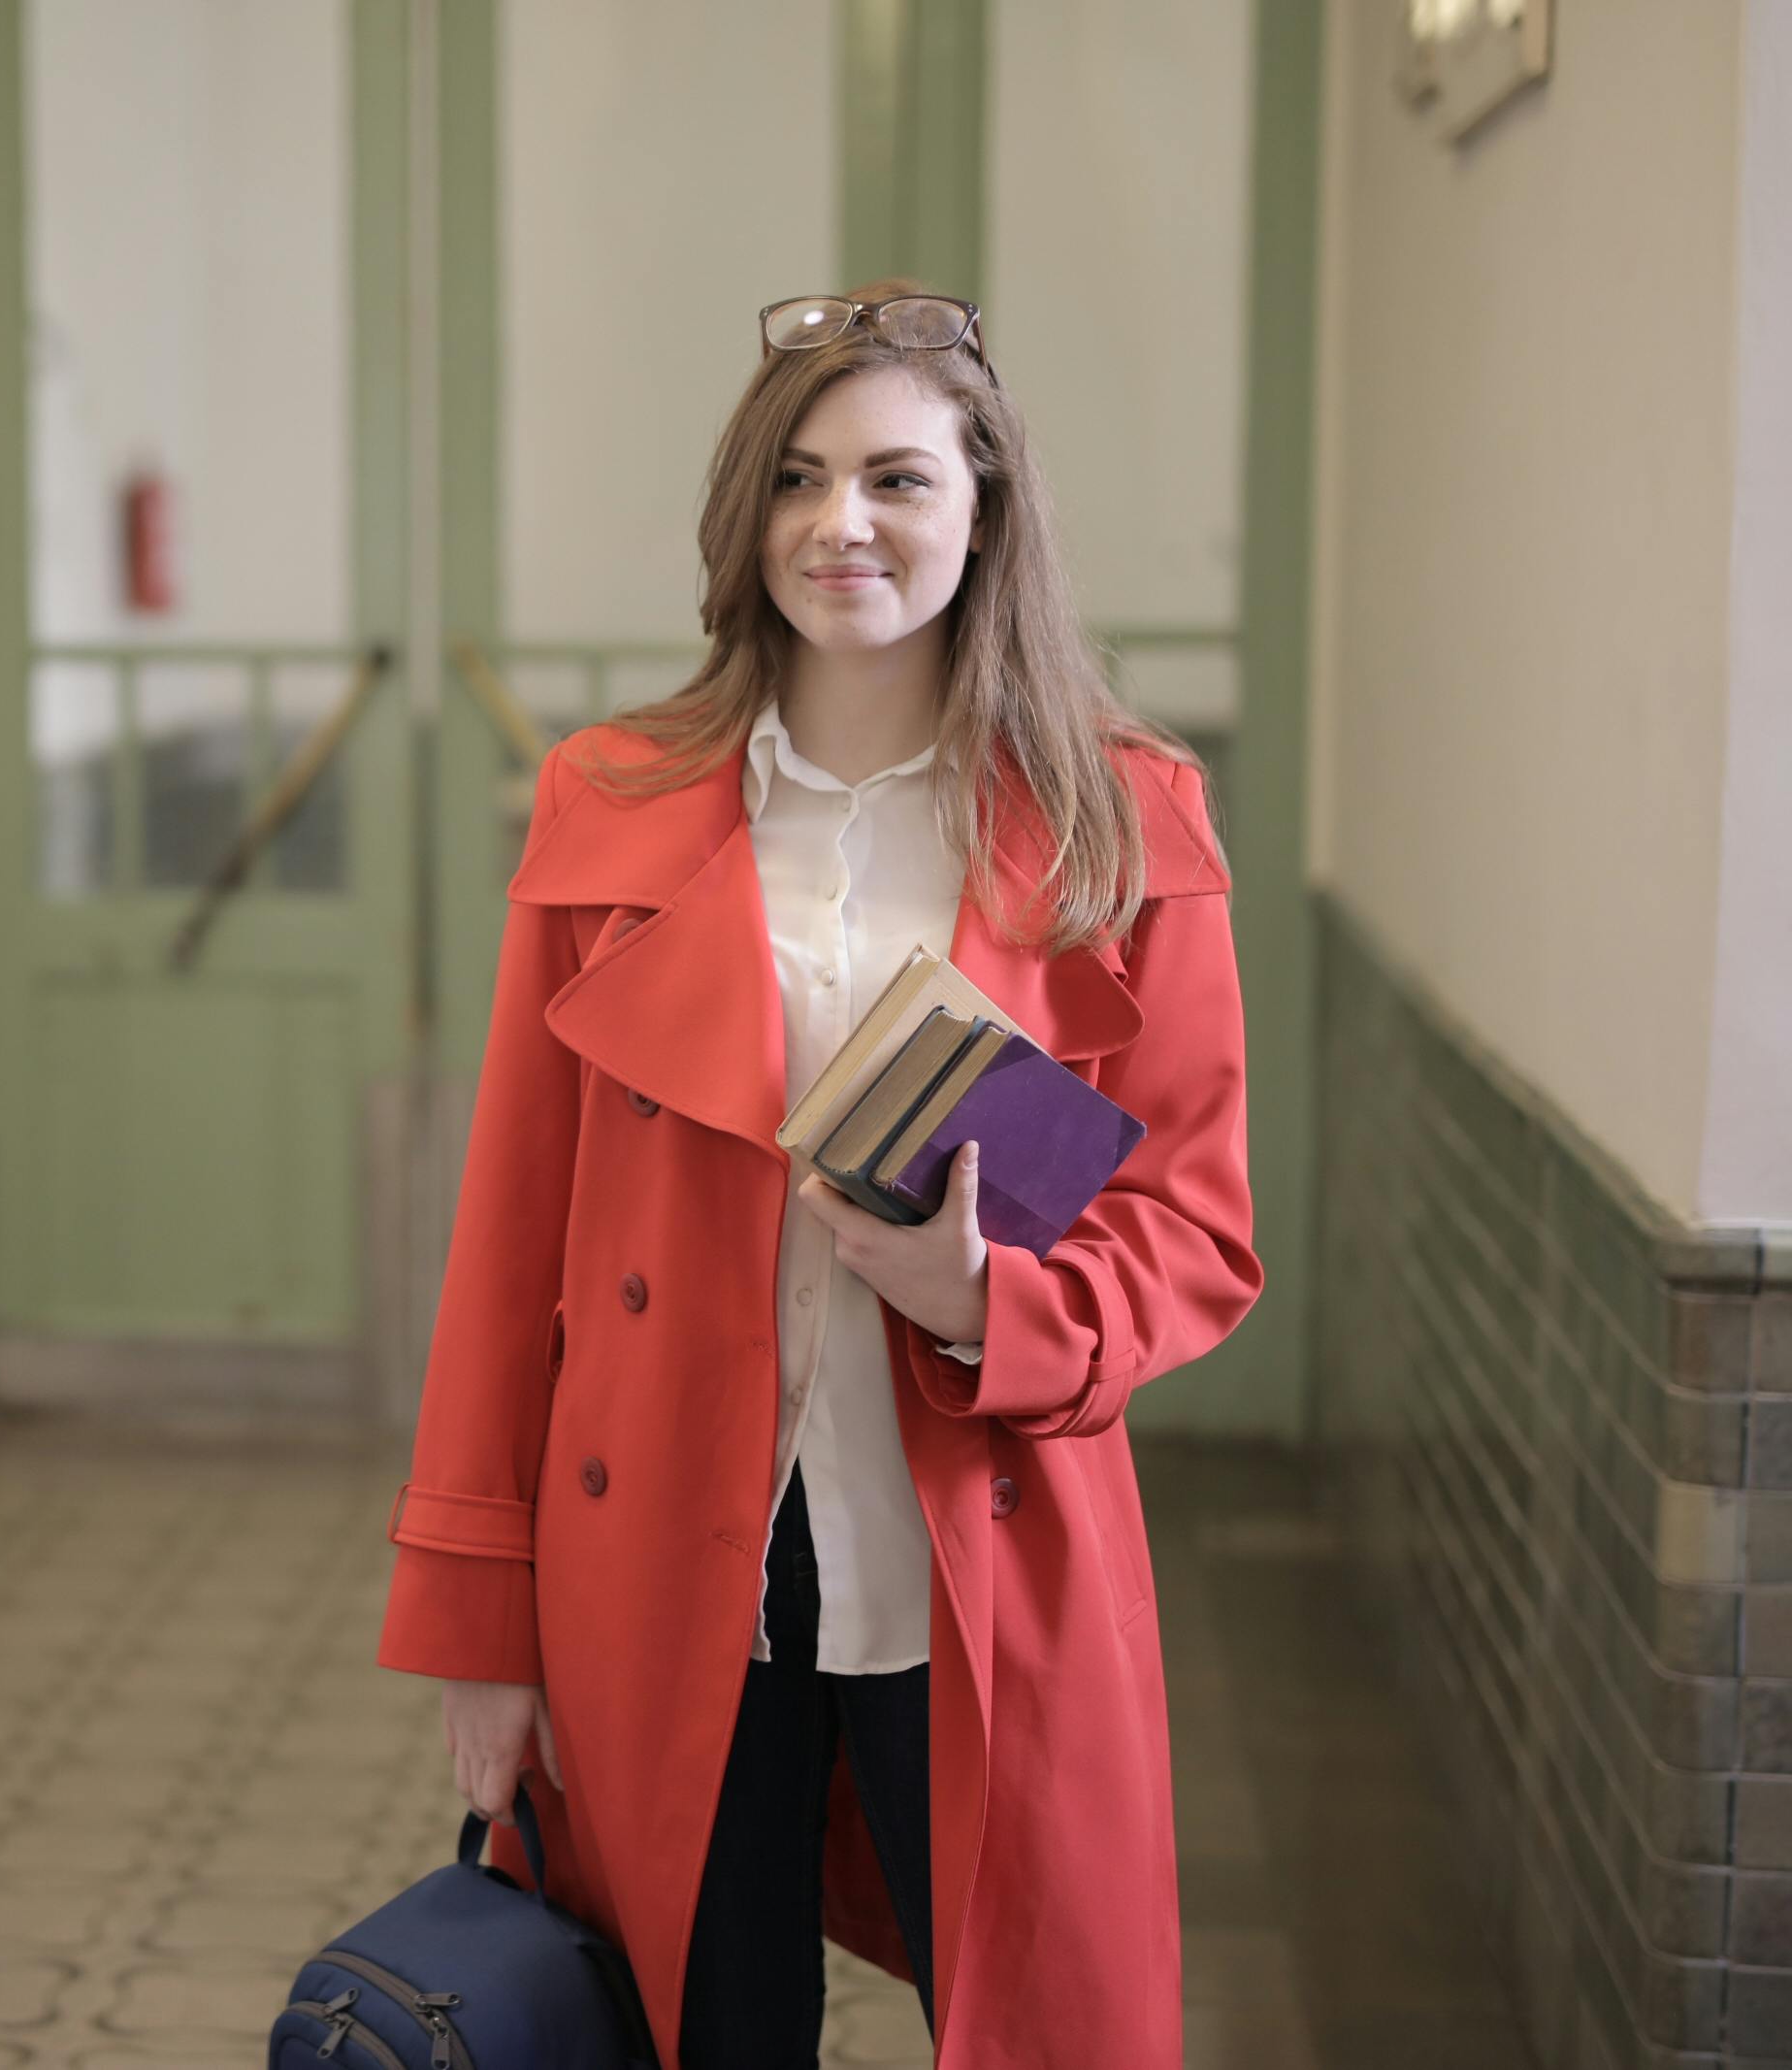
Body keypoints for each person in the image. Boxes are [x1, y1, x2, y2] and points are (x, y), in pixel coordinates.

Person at [377, 278, 1263, 2070]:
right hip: (665, 1563)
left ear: (985, 507)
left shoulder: (1121, 815)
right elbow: (509, 1240)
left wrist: (992, 1303)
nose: (837, 523)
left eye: (896, 478)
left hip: (988, 1556)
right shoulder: (612, 797)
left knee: (1033, 2022)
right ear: (743, 516)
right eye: (795, 476)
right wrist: (483, 1624)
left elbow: (1196, 1227)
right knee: (707, 2029)